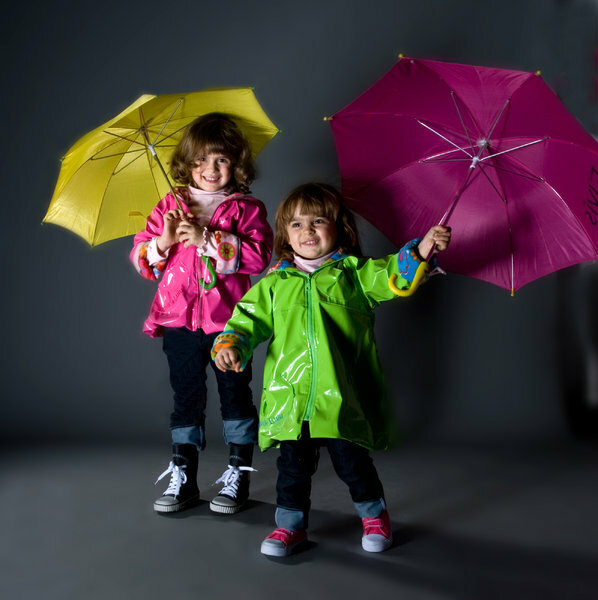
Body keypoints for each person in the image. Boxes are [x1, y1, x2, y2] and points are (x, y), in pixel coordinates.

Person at [212, 182, 450, 556]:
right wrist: (230, 344)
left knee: (353, 464)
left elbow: (392, 276)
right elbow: (246, 320)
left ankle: (374, 517)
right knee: (292, 469)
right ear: (285, 235)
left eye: (318, 221)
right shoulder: (275, 284)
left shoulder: (354, 275)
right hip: (292, 397)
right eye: (296, 224)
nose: (307, 231)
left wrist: (421, 250)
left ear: (339, 228)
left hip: (342, 396)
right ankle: (289, 527)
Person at [130, 113, 273, 515]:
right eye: (200, 161)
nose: (211, 170)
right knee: (186, 397)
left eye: (222, 160)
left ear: (237, 164)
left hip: (230, 324)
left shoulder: (246, 209)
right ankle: (184, 476)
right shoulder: (169, 206)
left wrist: (208, 239)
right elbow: (144, 261)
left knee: (234, 393)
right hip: (178, 320)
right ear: (186, 163)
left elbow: (258, 257)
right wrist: (163, 240)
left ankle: (238, 473)